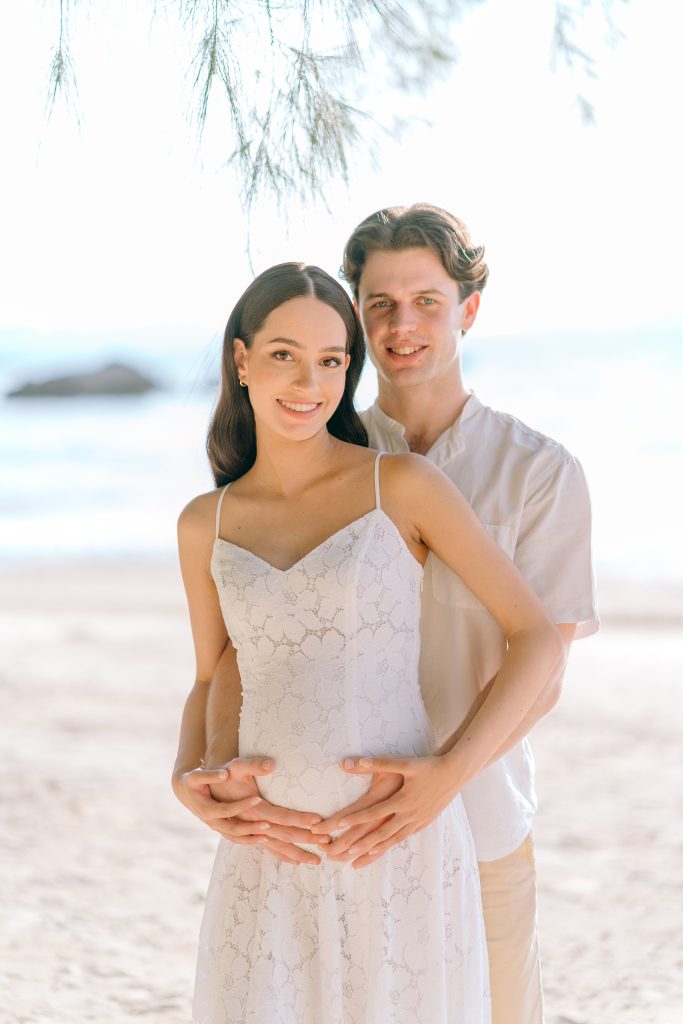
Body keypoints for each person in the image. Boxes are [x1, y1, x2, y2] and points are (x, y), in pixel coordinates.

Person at [174, 206, 598, 1024]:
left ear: (467, 309)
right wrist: (201, 767)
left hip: (472, 815)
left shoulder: (537, 472)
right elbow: (238, 653)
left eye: (427, 302)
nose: (402, 326)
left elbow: (542, 661)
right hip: (303, 823)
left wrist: (438, 784)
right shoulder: (317, 448)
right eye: (379, 305)